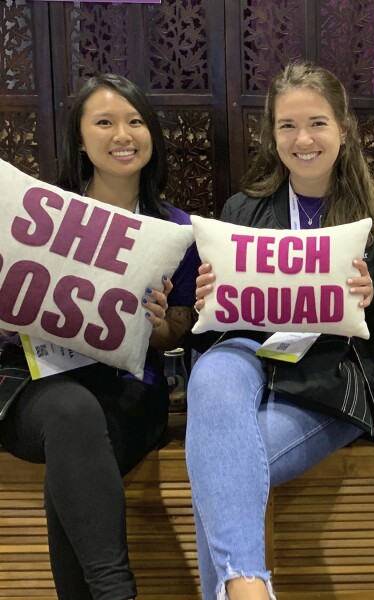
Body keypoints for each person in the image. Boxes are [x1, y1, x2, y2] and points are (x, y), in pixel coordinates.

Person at [186, 61, 374, 600]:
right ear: (272, 137)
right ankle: (249, 587)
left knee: (221, 477)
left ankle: (243, 588)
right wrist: (206, 301)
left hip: (336, 379)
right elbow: (212, 331)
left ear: (344, 128)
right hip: (253, 360)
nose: (303, 139)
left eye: (317, 123)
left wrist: (373, 297)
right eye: (287, 126)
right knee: (212, 371)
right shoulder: (243, 209)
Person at [0, 74, 200, 599]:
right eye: (105, 122)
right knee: (70, 412)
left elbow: (178, 328)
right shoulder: (38, 212)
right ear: (81, 138)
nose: (123, 134)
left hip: (129, 394)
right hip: (33, 386)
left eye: (135, 121)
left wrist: (159, 325)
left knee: (75, 448)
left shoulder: (175, 228)